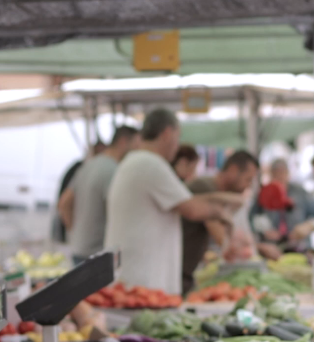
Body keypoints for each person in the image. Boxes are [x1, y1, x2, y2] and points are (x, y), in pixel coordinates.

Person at [105, 109, 238, 295]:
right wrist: (223, 213)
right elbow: (192, 209)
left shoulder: (133, 162)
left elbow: (185, 200)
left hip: (132, 277)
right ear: (167, 133)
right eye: (178, 137)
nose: (177, 146)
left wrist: (224, 202)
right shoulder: (150, 164)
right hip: (142, 283)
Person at [58, 125, 140, 264]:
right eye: (136, 145)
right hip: (97, 254)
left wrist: (75, 234)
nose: (137, 151)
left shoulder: (88, 165)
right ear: (123, 142)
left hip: (79, 249)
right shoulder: (114, 171)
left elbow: (64, 203)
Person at [181, 150, 259, 293]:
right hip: (178, 273)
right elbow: (223, 239)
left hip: (185, 272)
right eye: (248, 179)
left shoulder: (212, 189)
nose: (248, 186)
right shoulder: (203, 187)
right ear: (233, 170)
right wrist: (242, 247)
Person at [250, 159, 314, 259]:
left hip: (299, 247)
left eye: (282, 173)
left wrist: (306, 227)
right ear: (271, 175)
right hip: (273, 248)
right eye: (276, 174)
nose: (279, 177)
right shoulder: (264, 193)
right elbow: (252, 218)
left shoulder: (300, 193)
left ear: (288, 174)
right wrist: (264, 232)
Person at [53, 141, 106, 243]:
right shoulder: (82, 169)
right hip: (72, 237)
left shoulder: (83, 169)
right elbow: (64, 204)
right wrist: (74, 233)